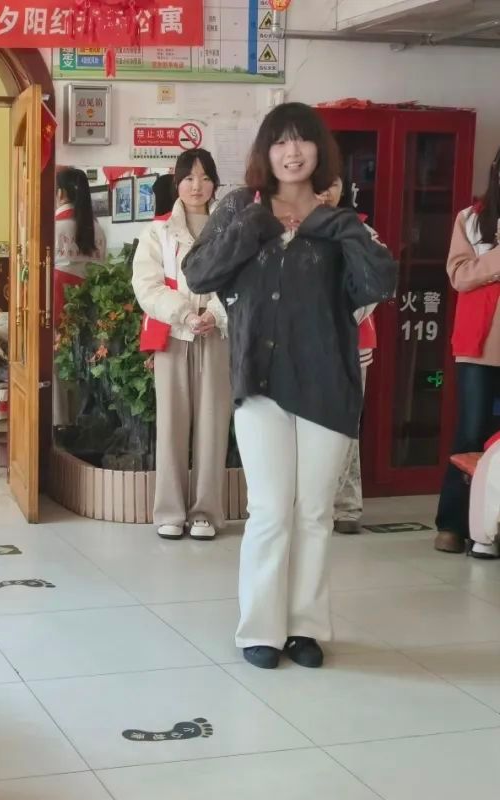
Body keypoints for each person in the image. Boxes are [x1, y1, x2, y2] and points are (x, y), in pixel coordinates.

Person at [183, 102, 397, 670]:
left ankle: (304, 627)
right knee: (271, 509)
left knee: (314, 512)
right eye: (281, 141)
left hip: (328, 381)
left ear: (320, 151)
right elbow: (200, 273)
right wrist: (260, 223)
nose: (292, 152)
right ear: (266, 151)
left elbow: (380, 281)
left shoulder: (343, 220)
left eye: (303, 141)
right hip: (259, 381)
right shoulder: (240, 208)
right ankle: (260, 629)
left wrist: (332, 222)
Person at [133, 148, 231, 541]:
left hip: (217, 335)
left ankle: (205, 512)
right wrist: (185, 314)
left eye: (205, 177)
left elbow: (242, 279)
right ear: (177, 183)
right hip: (173, 335)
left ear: (215, 183)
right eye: (189, 177)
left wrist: (215, 314)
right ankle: (170, 511)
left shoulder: (231, 227)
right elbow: (147, 285)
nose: (196, 186)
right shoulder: (157, 231)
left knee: (213, 424)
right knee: (171, 424)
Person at [435, 146, 500, 557]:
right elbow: (459, 275)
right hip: (481, 345)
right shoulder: (471, 218)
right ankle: (453, 524)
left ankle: (491, 530)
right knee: (472, 432)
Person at [321, 176, 381, 535]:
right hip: (303, 346)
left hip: (352, 342)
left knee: (345, 424)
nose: (325, 192)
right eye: (318, 183)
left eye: (332, 183)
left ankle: (345, 505)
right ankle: (314, 504)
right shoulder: (290, 230)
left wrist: (339, 322)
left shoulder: (363, 232)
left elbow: (373, 285)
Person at [54, 167, 108, 425]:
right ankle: (82, 422)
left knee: (57, 367)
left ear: (60, 193)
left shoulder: (55, 227)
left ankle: (58, 423)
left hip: (58, 304)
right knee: (83, 366)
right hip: (89, 308)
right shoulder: (98, 229)